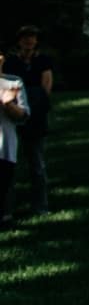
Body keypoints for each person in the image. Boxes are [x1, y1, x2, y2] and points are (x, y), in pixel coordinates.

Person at [3, 26, 52, 218]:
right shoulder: (11, 62)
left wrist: (39, 106)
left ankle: (40, 206)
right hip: (12, 111)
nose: (28, 41)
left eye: (32, 38)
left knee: (37, 163)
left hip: (36, 111)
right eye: (25, 38)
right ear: (19, 41)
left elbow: (46, 84)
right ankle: (7, 209)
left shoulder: (43, 61)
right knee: (8, 164)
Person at [0, 68, 25, 229]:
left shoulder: (13, 82)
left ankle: (5, 218)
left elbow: (22, 116)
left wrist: (8, 103)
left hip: (4, 147)